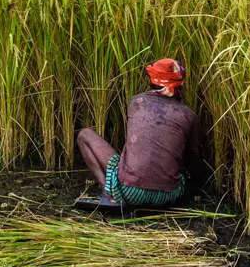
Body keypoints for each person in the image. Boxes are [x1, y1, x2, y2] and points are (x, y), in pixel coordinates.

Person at [77, 58, 199, 208]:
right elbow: (193, 160)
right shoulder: (189, 115)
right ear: (180, 85)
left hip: (129, 192)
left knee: (84, 134)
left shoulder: (136, 102)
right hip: (168, 196)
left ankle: (108, 193)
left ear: (151, 80)